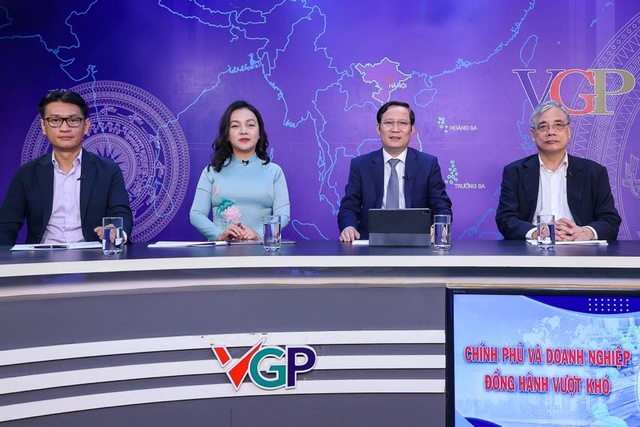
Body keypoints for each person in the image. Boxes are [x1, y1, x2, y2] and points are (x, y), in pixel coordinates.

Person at [0, 89, 133, 246]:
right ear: (43, 126)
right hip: (42, 256)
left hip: (93, 255)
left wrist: (116, 230)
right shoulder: (27, 173)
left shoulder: (108, 170)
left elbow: (121, 214)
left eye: (73, 120)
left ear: (86, 126)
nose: (64, 128)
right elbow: (6, 225)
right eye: (55, 120)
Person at [496, 100, 621, 241]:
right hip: (533, 248)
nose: (551, 132)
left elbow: (610, 220)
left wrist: (587, 232)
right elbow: (505, 218)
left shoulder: (594, 172)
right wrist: (537, 232)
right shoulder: (515, 172)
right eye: (543, 126)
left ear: (569, 132)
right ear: (533, 134)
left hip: (581, 248)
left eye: (558, 125)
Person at [338, 100, 453, 242]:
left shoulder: (428, 164)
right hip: (371, 243)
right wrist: (348, 226)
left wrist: (438, 227)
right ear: (378, 128)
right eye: (388, 123)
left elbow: (441, 205)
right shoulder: (361, 165)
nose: (395, 129)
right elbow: (349, 206)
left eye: (403, 123)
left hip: (417, 242)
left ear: (412, 129)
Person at [190, 100, 290, 241]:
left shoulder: (274, 171)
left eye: (250, 125)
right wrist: (219, 235)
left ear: (259, 133)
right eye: (235, 126)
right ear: (227, 135)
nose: (243, 131)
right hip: (221, 251)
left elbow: (283, 215)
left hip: (261, 249)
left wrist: (258, 234)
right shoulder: (211, 171)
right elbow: (196, 214)